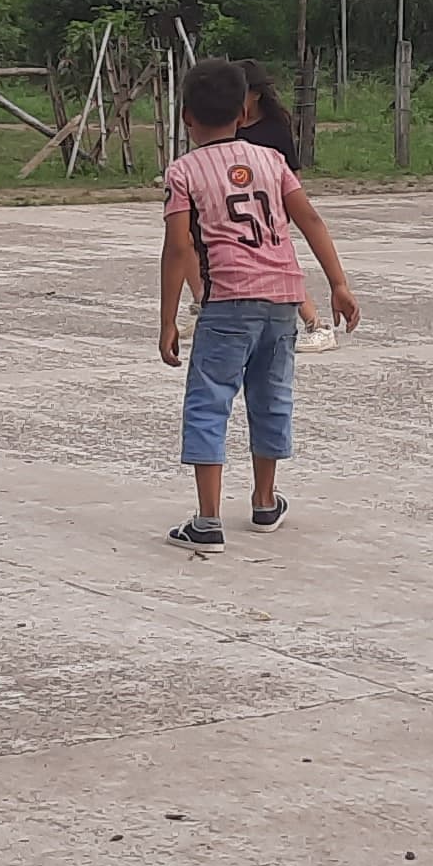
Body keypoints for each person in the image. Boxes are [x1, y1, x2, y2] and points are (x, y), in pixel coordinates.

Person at [159, 58, 361, 549]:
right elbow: (309, 219)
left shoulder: (184, 171)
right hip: (284, 298)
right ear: (243, 113)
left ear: (186, 117)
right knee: (270, 398)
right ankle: (265, 501)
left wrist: (167, 320)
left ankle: (208, 520)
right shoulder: (271, 160)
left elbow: (179, 247)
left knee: (209, 402)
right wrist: (338, 283)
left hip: (228, 300)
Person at [235, 62, 339, 352]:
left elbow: (292, 174)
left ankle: (317, 325)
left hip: (268, 211)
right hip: (236, 210)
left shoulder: (274, 129)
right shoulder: (230, 127)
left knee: (279, 268)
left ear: (255, 94)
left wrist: (285, 209)